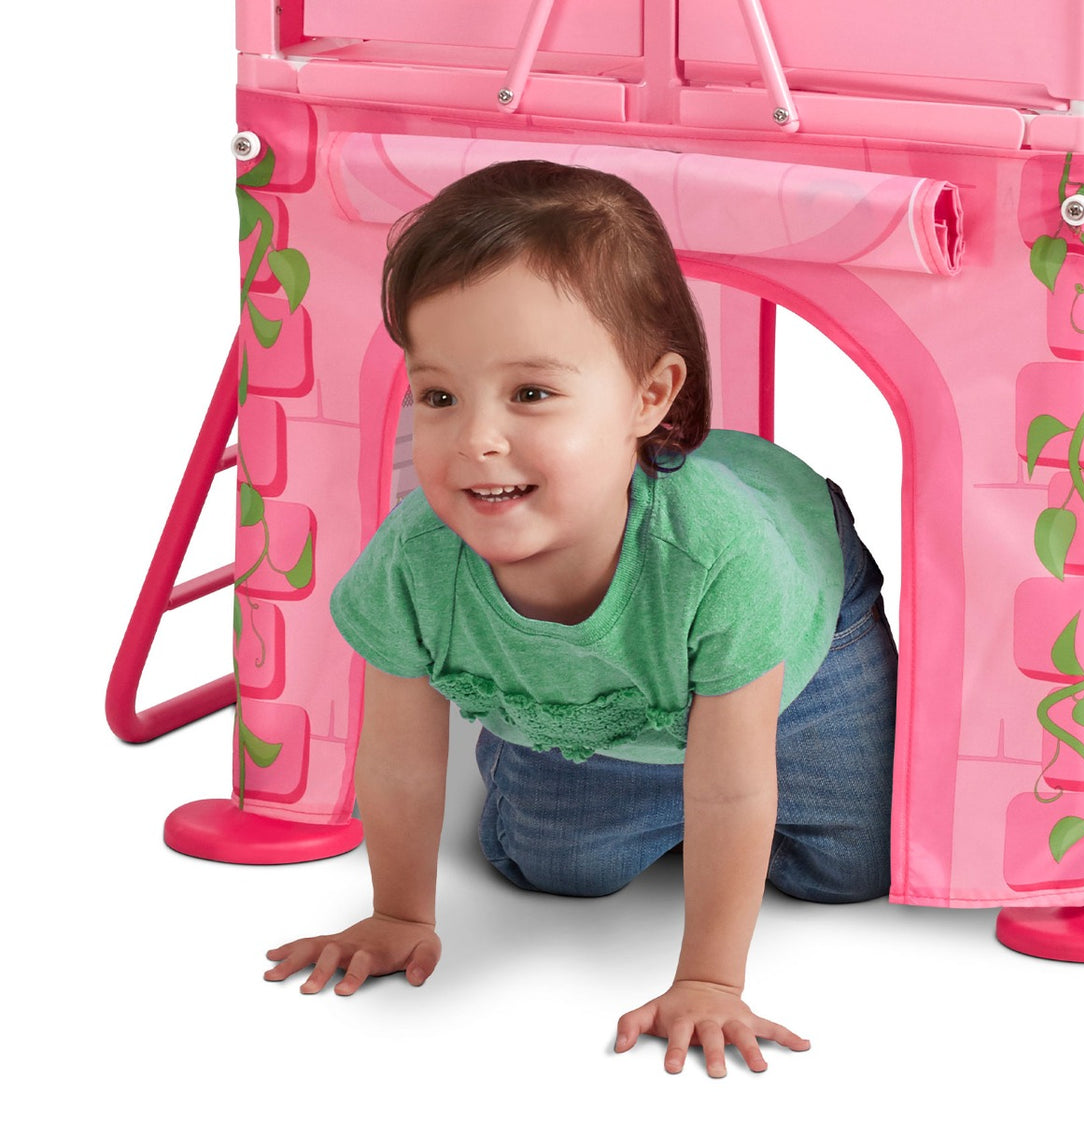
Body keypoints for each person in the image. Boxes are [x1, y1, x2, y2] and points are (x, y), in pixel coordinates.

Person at [264, 160, 897, 1078]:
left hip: (801, 647)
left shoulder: (723, 558)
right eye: (440, 396)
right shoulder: (417, 555)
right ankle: (560, 725)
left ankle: (663, 761)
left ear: (650, 397)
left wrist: (710, 978)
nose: (477, 438)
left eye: (530, 394)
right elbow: (401, 747)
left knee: (854, 870)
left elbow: (729, 785)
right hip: (619, 694)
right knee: (548, 867)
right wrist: (401, 911)